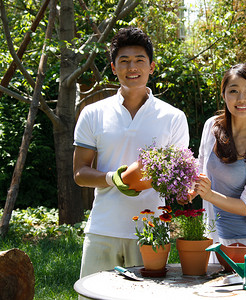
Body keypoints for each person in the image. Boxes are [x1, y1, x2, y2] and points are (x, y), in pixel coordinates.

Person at [73, 27, 189, 280]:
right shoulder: (93, 113)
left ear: (152, 66)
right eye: (123, 61)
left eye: (139, 60)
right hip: (103, 229)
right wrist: (113, 178)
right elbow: (80, 173)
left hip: (152, 232)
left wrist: (186, 190)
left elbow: (181, 178)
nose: (132, 67)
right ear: (114, 68)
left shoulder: (173, 117)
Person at [192, 63, 246, 254]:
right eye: (234, 91)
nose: (241, 99)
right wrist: (191, 188)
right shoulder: (211, 127)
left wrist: (209, 195)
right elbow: (200, 168)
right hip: (217, 237)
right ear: (223, 95)